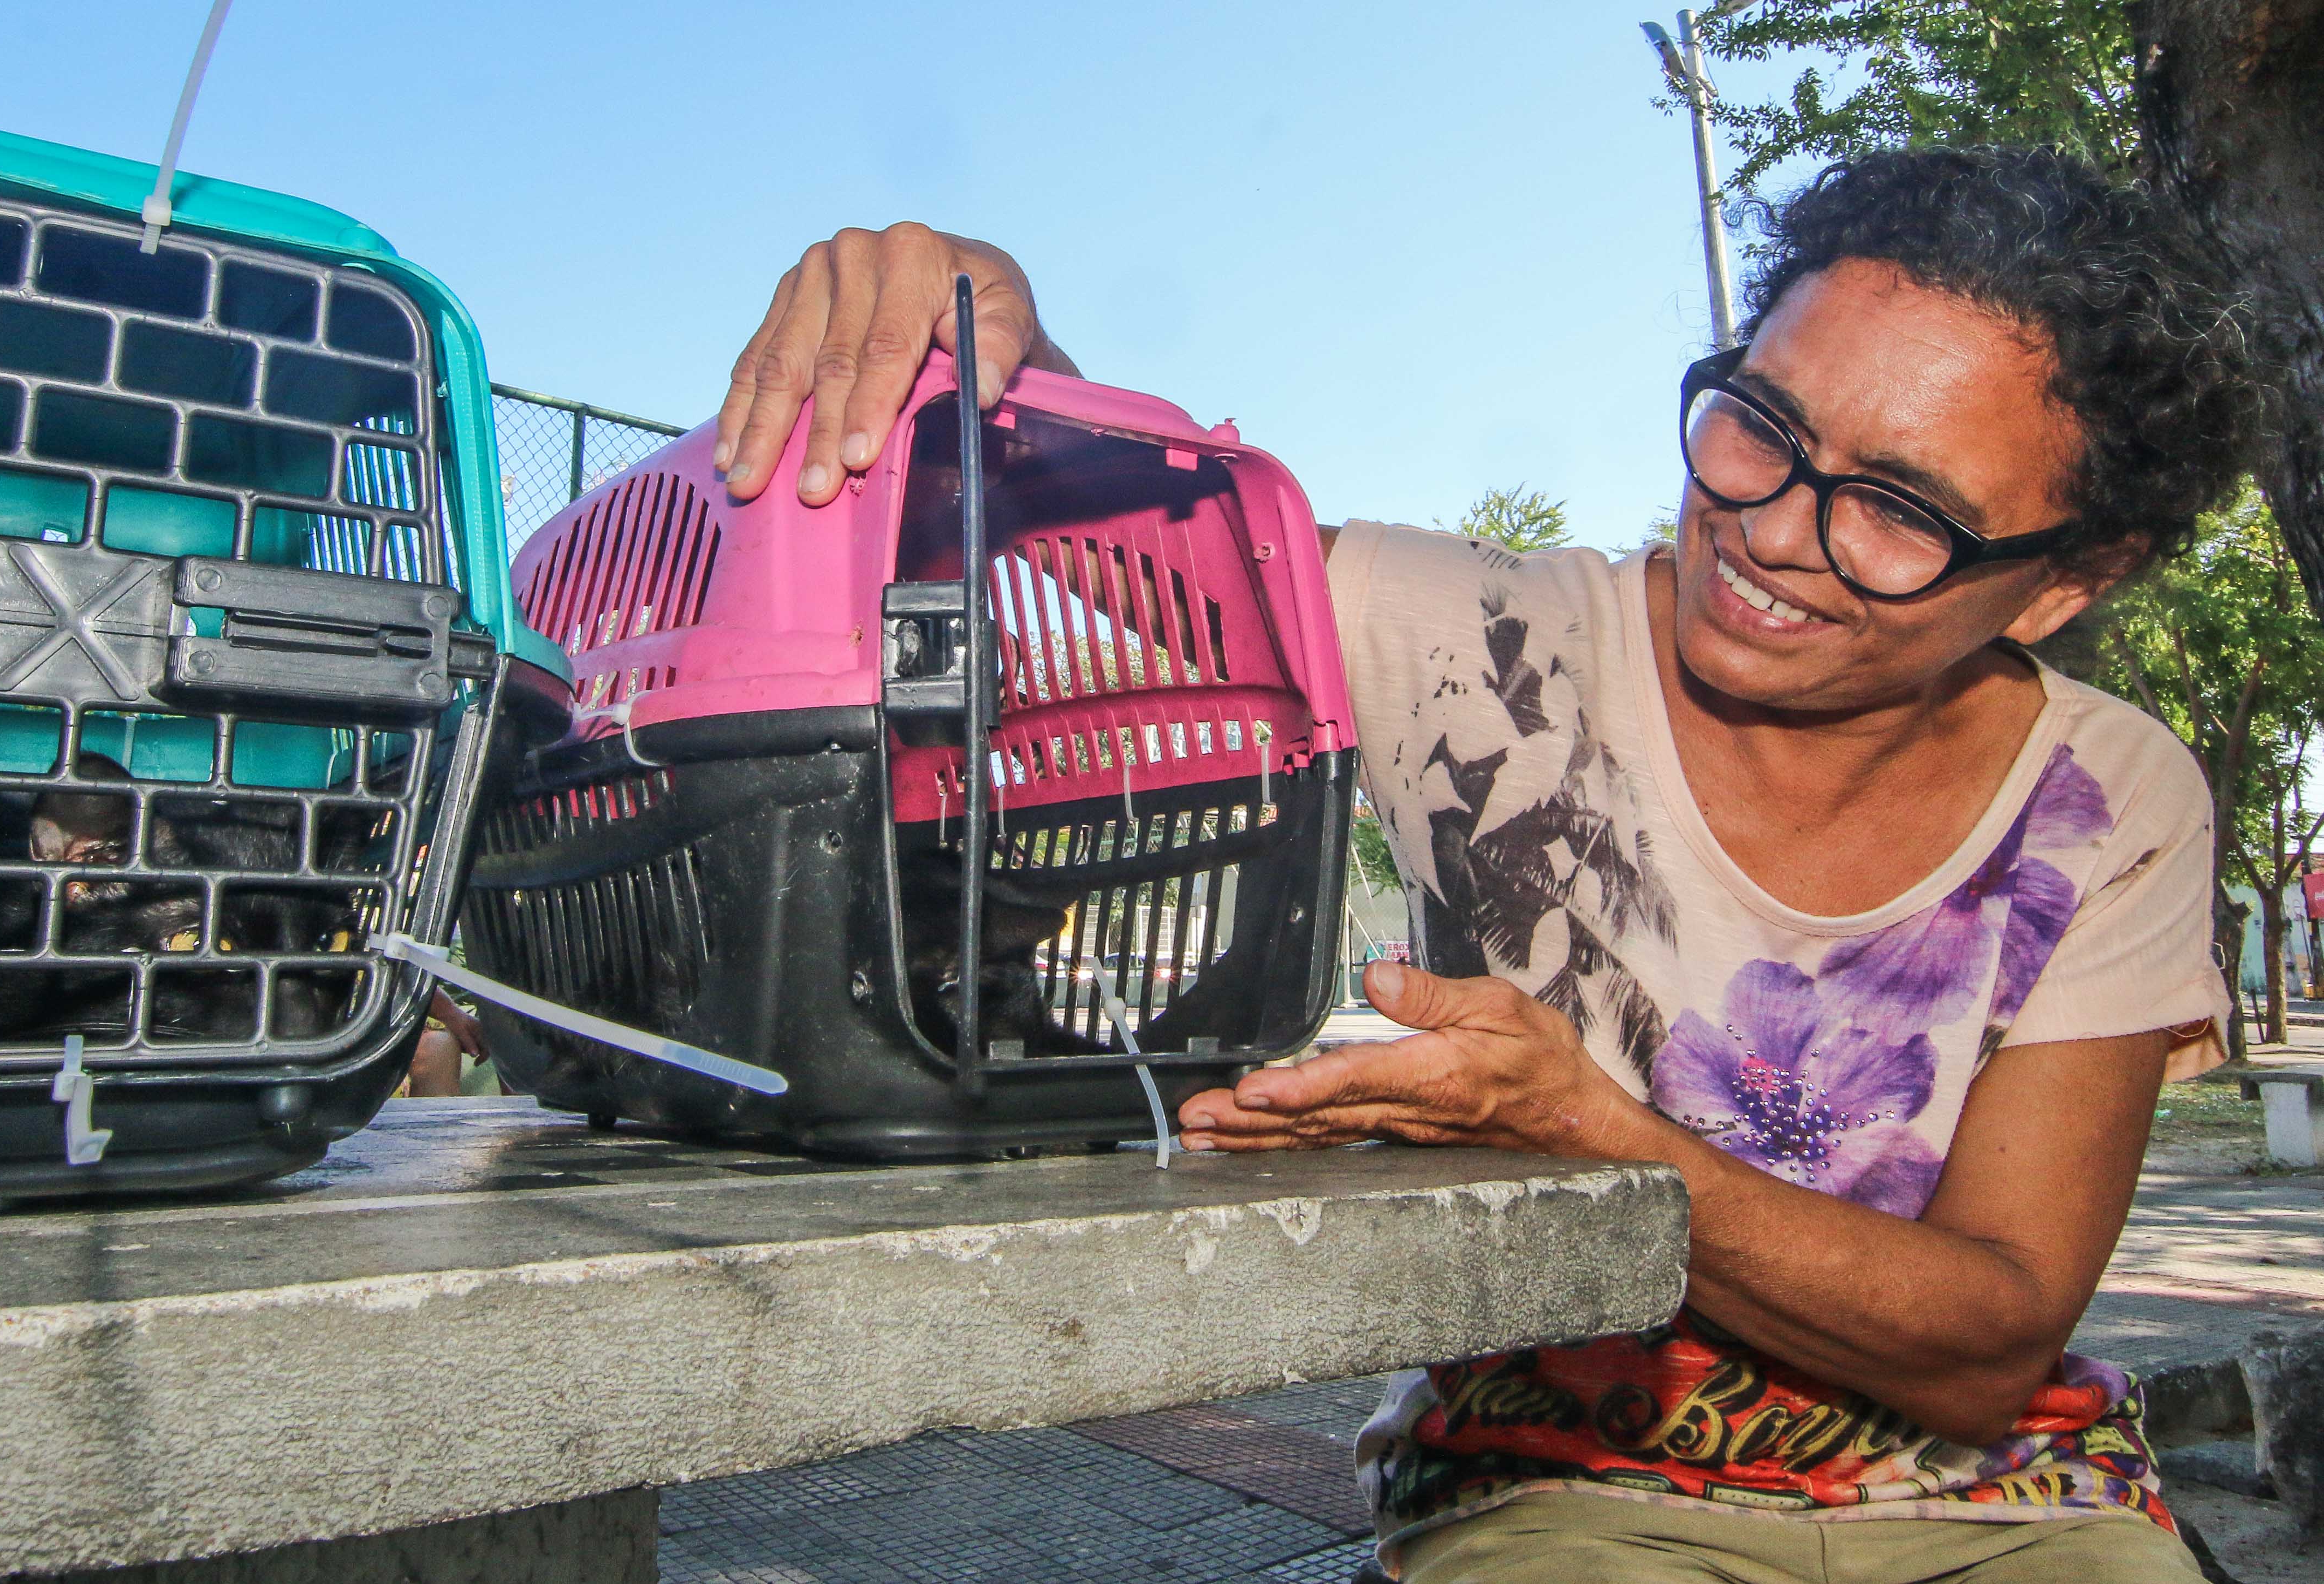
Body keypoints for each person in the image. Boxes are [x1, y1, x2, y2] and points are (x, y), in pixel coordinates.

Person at [711, 146, 2264, 1582]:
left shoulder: (2110, 797)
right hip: (1562, 1485)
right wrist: (991, 349)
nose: (1775, 531)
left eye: (1901, 510)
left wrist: (1586, 1130)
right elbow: (1122, 538)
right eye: (1763, 426)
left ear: (2064, 582)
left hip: (2007, 1506)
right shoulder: (1480, 645)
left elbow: (1989, 1340)